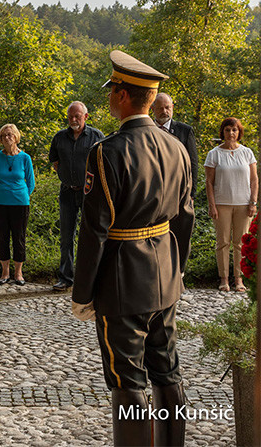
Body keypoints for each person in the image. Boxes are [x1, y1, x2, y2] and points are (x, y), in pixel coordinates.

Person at [73, 50, 194, 447]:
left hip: (123, 282)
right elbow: (185, 218)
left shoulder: (107, 151)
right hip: (165, 278)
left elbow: (95, 230)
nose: (109, 97)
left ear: (123, 96)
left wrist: (83, 293)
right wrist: (175, 269)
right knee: (167, 371)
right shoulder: (176, 147)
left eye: (113, 90)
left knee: (128, 383)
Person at [48, 101, 104, 291]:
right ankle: (65, 278)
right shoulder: (59, 137)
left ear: (85, 116)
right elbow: (54, 161)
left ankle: (90, 279)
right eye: (70, 116)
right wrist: (66, 176)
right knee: (66, 237)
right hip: (67, 192)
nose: (73, 119)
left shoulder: (97, 136)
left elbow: (103, 165)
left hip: (89, 193)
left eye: (77, 116)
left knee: (90, 236)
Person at [204, 117, 257, 292]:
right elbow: (209, 182)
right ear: (223, 132)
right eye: (227, 130)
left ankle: (239, 280)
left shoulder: (247, 152)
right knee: (223, 243)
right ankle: (224, 279)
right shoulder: (214, 154)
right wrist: (212, 205)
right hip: (221, 204)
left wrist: (253, 202)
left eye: (234, 130)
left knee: (240, 243)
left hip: (244, 204)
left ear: (239, 132)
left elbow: (254, 179)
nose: (231, 133)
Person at [0, 124, 35, 286]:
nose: (7, 138)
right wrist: (3, 192)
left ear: (16, 137)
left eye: (10, 135)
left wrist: (20, 195)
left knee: (19, 238)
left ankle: (18, 272)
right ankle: (5, 272)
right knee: (2, 237)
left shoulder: (25, 158)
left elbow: (31, 182)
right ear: (0, 139)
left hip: (20, 203)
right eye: (4, 135)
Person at [151, 92, 198, 196]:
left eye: (167, 107)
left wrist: (191, 194)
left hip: (179, 191)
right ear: (152, 109)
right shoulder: (146, 131)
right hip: (153, 192)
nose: (164, 111)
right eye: (160, 108)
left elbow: (193, 163)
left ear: (172, 107)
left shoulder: (185, 131)